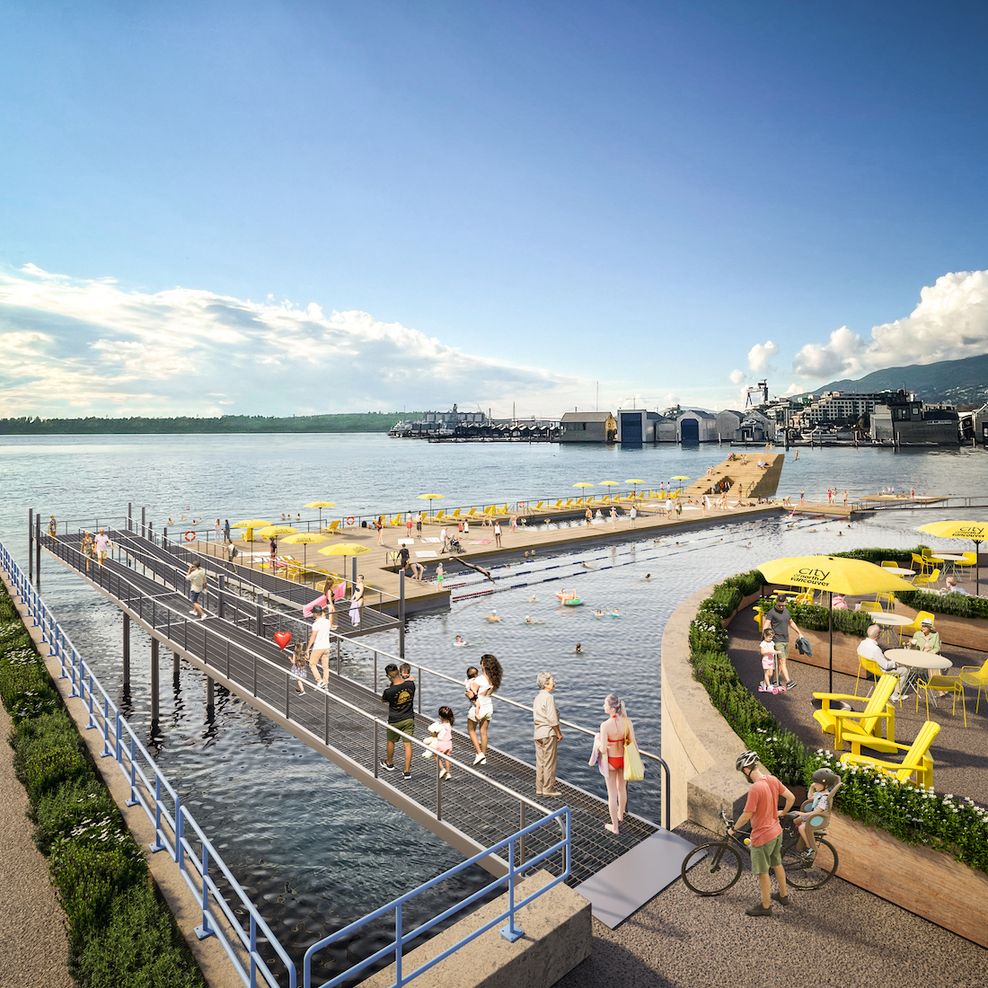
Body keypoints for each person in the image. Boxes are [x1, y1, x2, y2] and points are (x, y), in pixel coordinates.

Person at [729, 751, 794, 916]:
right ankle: (783, 895)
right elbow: (791, 798)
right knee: (777, 863)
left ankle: (766, 906)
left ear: (745, 770)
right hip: (776, 832)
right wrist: (782, 813)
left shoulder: (755, 788)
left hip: (762, 836)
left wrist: (734, 829)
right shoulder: (772, 779)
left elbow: (747, 815)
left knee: (762, 872)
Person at [598, 693, 635, 835]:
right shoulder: (627, 722)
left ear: (612, 709)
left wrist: (598, 742)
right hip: (624, 760)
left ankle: (615, 827)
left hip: (612, 761)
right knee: (622, 790)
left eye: (605, 704)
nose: (603, 706)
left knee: (612, 794)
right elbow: (633, 743)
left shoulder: (605, 725)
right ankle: (621, 815)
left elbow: (602, 748)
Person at [793, 768, 840, 862]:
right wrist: (811, 788)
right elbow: (810, 798)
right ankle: (798, 839)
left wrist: (802, 813)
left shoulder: (825, 797)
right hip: (812, 815)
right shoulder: (819, 793)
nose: (815, 785)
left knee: (802, 827)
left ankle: (809, 847)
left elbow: (817, 811)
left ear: (825, 785)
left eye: (817, 783)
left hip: (819, 818)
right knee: (796, 820)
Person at [379, 664, 416, 780]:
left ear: (388, 676)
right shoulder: (411, 685)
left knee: (391, 741)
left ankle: (389, 763)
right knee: (408, 744)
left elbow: (383, 700)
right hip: (409, 718)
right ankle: (407, 771)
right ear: (400, 673)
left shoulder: (389, 691)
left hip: (394, 720)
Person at [466, 654, 501, 765]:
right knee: (484, 732)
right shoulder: (494, 680)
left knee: (471, 730)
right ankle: (483, 756)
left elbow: (472, 695)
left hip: (479, 707)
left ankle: (479, 753)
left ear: (484, 665)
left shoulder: (479, 680)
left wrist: (467, 694)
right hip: (489, 706)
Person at [533, 672, 563, 796]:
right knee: (550, 761)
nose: (554, 683)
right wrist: (559, 733)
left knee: (540, 762)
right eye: (552, 681)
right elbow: (552, 719)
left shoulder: (537, 697)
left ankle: (539, 788)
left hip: (538, 733)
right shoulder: (549, 697)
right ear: (546, 684)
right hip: (548, 733)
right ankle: (548, 789)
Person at [761, 598, 800, 691]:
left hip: (786, 640)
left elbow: (791, 622)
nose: (781, 607)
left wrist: (799, 632)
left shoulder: (786, 611)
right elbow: (766, 625)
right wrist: (764, 638)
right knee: (783, 661)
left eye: (783, 605)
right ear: (776, 602)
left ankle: (775, 680)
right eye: (779, 605)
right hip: (777, 640)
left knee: (781, 662)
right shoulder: (771, 612)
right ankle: (788, 681)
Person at [307, 606, 332, 688]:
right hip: (327, 646)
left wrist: (307, 648)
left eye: (313, 613)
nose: (312, 614)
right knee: (325, 667)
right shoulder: (327, 622)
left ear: (316, 613)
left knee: (312, 664)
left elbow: (313, 637)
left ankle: (319, 680)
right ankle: (325, 683)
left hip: (318, 647)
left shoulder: (316, 624)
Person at [758, 627, 784, 693]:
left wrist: (777, 651)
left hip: (771, 660)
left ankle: (763, 683)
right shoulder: (763, 643)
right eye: (769, 637)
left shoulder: (772, 643)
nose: (771, 638)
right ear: (765, 636)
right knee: (766, 673)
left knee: (771, 674)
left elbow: (773, 650)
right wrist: (768, 652)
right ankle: (768, 685)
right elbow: (762, 652)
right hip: (766, 660)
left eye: (772, 637)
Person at [434, 706, 455, 780]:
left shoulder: (440, 726)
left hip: (441, 744)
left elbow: (434, 734)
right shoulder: (449, 724)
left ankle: (442, 769)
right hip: (449, 744)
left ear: (440, 717)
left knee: (436, 756)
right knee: (447, 758)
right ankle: (448, 773)